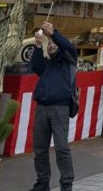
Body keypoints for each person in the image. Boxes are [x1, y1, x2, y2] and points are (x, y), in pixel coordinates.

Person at [28, 21, 77, 191]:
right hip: (42, 108)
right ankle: (42, 183)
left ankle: (66, 184)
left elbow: (68, 46)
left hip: (60, 108)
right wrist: (38, 45)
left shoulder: (69, 62)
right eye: (49, 45)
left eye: (54, 44)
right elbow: (34, 65)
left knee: (62, 148)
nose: (51, 46)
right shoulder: (47, 66)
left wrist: (53, 33)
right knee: (40, 149)